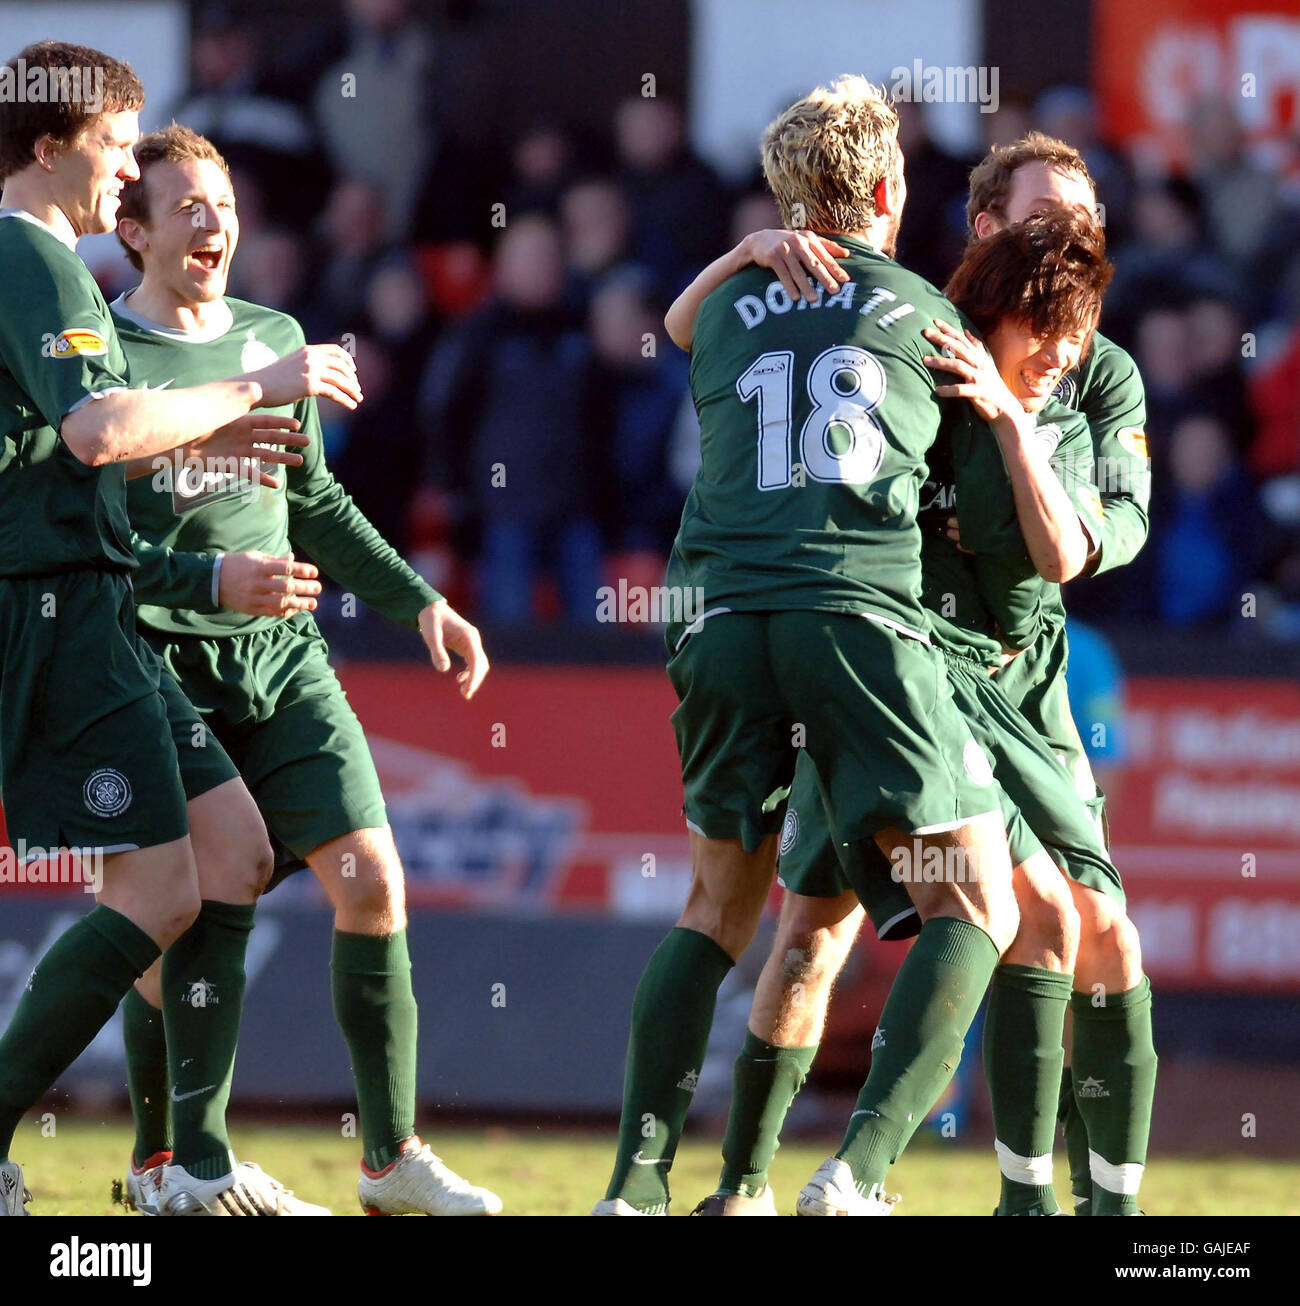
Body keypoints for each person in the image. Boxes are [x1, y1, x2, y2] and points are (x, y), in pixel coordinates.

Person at [679, 133, 1157, 1218]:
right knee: (812, 930)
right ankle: (746, 1184)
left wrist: (1008, 409)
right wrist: (756, 250)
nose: (1069, 239)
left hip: (1020, 677)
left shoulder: (1098, 370)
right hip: (895, 660)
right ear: (984, 226)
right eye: (1045, 218)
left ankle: (1072, 1204)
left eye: (1083, 223)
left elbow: (1079, 547)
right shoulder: (906, 325)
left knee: (1093, 928)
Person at [594, 76, 1020, 1217]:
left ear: (781, 204)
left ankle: (635, 1190)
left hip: (720, 618)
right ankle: (856, 1174)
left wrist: (742, 253)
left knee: (716, 915)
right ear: (888, 188)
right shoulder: (932, 319)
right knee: (974, 906)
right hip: (856, 625)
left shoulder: (729, 305)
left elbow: (675, 327)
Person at [110, 124, 498, 1217]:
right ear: (131, 230)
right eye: (183, 205)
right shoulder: (107, 360)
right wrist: (206, 581)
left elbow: (313, 503)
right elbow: (97, 546)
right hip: (160, 667)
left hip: (285, 663)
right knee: (178, 915)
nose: (211, 222)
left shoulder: (274, 337)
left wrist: (420, 602)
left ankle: (389, 1162)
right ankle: (173, 1163)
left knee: (374, 879)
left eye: (222, 202)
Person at [0, 40, 359, 1217]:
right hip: (54, 604)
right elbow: (101, 432)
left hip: (89, 598)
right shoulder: (34, 257)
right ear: (51, 148)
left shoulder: (45, 260)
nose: (123, 171)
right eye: (112, 144)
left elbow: (103, 432)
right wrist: (263, 382)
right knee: (160, 890)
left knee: (233, 852)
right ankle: (171, 1167)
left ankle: (189, 1164)